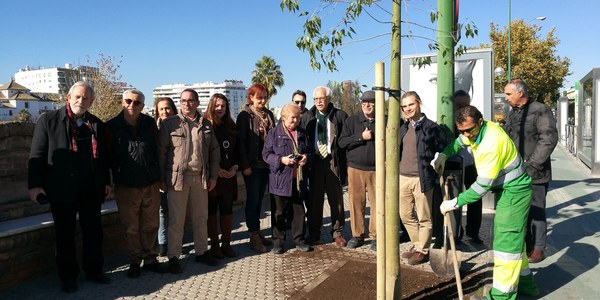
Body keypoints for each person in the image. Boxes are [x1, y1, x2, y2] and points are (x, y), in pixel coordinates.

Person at [432, 105, 539, 300]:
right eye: (462, 130)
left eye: (469, 130)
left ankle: (501, 296)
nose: (466, 135)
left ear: (479, 122)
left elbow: (481, 188)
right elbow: (459, 142)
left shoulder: (491, 142)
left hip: (514, 191)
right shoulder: (475, 131)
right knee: (513, 242)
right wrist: (444, 155)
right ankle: (526, 284)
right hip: (506, 189)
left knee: (505, 244)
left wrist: (455, 202)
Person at [28, 81, 112, 293]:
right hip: (62, 190)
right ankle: (68, 277)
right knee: (64, 235)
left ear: (91, 101)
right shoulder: (49, 121)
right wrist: (35, 186)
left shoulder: (96, 125)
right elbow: (36, 155)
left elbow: (103, 159)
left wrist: (106, 183)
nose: (80, 101)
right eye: (77, 97)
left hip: (90, 189)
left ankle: (94, 271)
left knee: (93, 233)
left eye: (85, 98)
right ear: (69, 97)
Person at [158, 88, 221, 273]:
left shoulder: (206, 125)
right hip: (178, 178)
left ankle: (201, 252)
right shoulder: (170, 124)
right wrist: (161, 179)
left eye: (191, 100)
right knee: (176, 220)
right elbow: (161, 153)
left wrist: (213, 176)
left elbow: (214, 153)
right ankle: (174, 257)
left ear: (197, 103)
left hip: (200, 177)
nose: (187, 103)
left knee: (201, 217)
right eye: (183, 100)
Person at [107, 89, 166, 278]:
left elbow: (158, 151)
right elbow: (105, 158)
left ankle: (150, 259)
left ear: (142, 105)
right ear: (122, 102)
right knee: (130, 227)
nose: (132, 105)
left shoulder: (149, 124)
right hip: (126, 185)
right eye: (128, 101)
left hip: (149, 183)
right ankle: (134, 261)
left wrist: (160, 178)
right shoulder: (111, 126)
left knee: (151, 224)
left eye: (137, 102)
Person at [503, 79, 558, 263]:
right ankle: (526, 244)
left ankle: (538, 249)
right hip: (515, 171)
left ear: (521, 93)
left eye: (508, 94)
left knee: (536, 210)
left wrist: (532, 164)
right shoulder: (513, 113)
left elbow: (548, 139)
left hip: (535, 173)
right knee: (521, 211)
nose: (505, 97)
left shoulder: (540, 110)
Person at [398, 91, 448, 265]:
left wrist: (438, 164)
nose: (407, 109)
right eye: (404, 106)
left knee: (424, 217)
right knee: (404, 215)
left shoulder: (431, 128)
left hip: (422, 178)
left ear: (418, 103)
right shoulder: (403, 128)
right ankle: (417, 244)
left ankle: (423, 250)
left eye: (410, 105)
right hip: (403, 177)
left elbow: (443, 150)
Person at [262, 103, 313, 254]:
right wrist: (281, 160)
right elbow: (266, 155)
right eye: (292, 118)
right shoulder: (274, 133)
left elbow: (309, 151)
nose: (295, 121)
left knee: (298, 211)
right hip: (280, 179)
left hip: (298, 179)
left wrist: (306, 157)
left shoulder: (302, 133)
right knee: (279, 212)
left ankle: (299, 239)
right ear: (283, 117)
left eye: (298, 118)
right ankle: (278, 242)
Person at [301, 86, 348, 246]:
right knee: (315, 200)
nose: (319, 102)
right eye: (316, 99)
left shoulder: (339, 115)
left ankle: (337, 232)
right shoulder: (307, 116)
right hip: (314, 162)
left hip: (332, 161)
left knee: (336, 199)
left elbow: (344, 140)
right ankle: (314, 232)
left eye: (322, 98)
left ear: (328, 99)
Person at [236, 83, 276, 253]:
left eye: (265, 97)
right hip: (252, 166)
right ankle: (253, 235)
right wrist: (244, 165)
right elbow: (240, 143)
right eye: (259, 97)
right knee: (252, 200)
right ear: (251, 97)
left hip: (266, 165)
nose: (262, 100)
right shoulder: (245, 116)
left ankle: (258, 232)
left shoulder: (269, 114)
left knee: (260, 199)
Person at [338, 90, 378, 251]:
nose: (367, 105)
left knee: (377, 205)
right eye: (364, 102)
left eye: (371, 102)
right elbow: (342, 142)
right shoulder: (352, 121)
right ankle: (357, 235)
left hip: (377, 169)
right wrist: (361, 137)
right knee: (356, 203)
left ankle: (375, 236)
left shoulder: (384, 120)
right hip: (355, 169)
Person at [204, 93, 239, 258]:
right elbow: (200, 152)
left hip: (229, 177)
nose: (220, 109)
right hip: (212, 177)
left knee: (227, 210)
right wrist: (215, 170)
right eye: (217, 105)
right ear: (212, 106)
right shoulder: (204, 125)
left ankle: (226, 244)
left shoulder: (231, 126)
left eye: (223, 106)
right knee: (211, 211)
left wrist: (235, 167)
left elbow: (238, 151)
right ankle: (214, 245)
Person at [453, 89, 482, 243]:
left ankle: (473, 232)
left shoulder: (475, 119)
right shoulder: (450, 121)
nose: (462, 107)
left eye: (465, 104)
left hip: (472, 164)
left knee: (475, 199)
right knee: (455, 199)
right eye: (459, 105)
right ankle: (457, 231)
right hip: (455, 165)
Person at [153, 97, 177, 256]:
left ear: (174, 110)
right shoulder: (153, 129)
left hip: (176, 175)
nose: (164, 112)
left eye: (167, 108)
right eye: (161, 109)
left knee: (176, 210)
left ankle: (175, 240)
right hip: (159, 176)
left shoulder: (181, 126)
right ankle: (162, 243)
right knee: (162, 210)